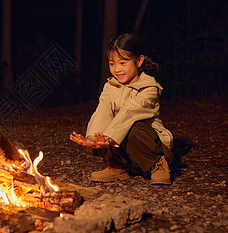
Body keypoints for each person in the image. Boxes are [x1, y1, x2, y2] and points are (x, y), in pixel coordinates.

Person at [70, 33, 173, 185]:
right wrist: (93, 138)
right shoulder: (110, 85)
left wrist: (109, 138)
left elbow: (129, 112)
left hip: (150, 143)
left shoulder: (149, 87)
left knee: (132, 128)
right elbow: (103, 110)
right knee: (103, 123)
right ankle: (116, 166)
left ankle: (157, 164)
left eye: (122, 63)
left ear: (139, 61)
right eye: (112, 64)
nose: (117, 69)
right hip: (122, 141)